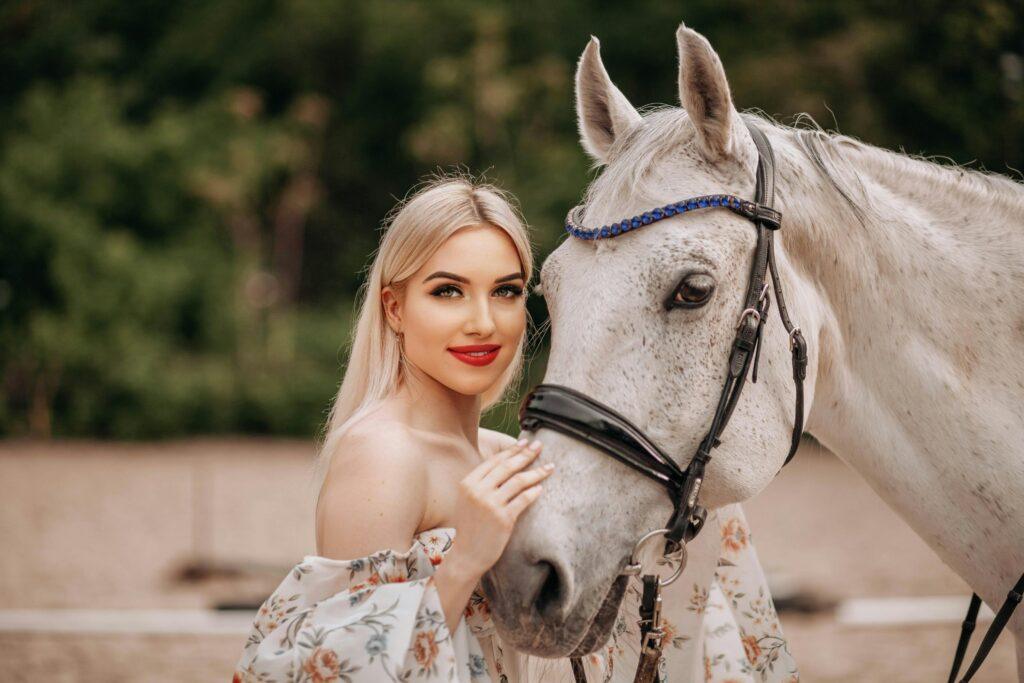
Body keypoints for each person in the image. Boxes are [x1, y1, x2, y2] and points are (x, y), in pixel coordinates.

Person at [233, 175, 798, 682]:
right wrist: (464, 562)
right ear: (395, 308)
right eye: (447, 291)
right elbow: (338, 667)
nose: (483, 322)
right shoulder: (383, 455)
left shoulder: (509, 454)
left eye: (505, 291)